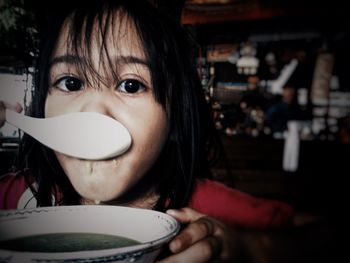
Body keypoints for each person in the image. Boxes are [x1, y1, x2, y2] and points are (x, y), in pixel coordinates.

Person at [0, 0, 294, 261]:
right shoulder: (19, 197)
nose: (93, 112)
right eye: (70, 83)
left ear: (174, 116)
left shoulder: (205, 205)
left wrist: (249, 248)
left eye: (131, 85)